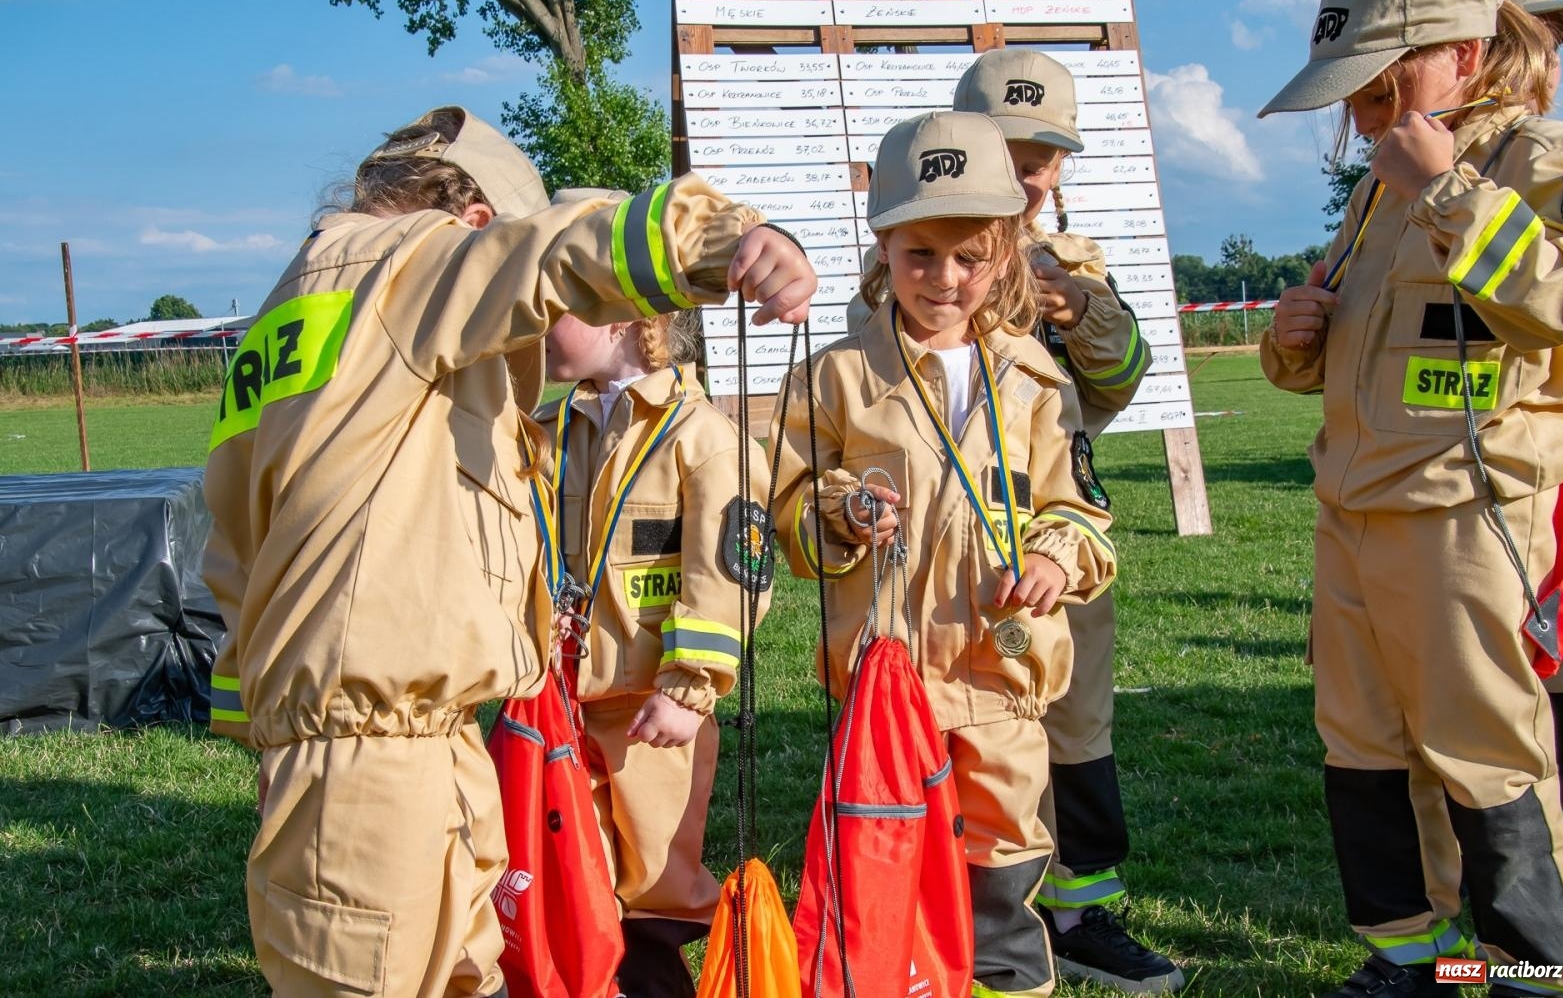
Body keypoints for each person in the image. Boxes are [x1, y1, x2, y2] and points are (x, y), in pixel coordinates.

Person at [201, 105, 815, 998]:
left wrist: (273, 738)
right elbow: (565, 251)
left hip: (398, 751)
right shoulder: (409, 261)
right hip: (380, 762)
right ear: (475, 228)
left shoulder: (305, 319)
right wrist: (736, 238)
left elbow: (237, 552)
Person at [1258, 0, 1563, 994]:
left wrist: (1449, 195)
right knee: (1360, 745)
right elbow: (1349, 355)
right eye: (1347, 85)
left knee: (1484, 749)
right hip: (1352, 509)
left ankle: (1532, 968)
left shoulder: (1543, 158)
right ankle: (1408, 957)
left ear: (1460, 49)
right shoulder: (1376, 188)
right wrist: (1293, 333)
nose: (1357, 106)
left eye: (1378, 75)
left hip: (1469, 512)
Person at [771, 110, 1119, 998]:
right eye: (920, 253)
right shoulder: (834, 378)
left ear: (1004, 251)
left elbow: (1081, 515)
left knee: (1002, 896)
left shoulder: (1038, 384)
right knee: (882, 902)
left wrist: (1052, 555)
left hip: (1002, 688)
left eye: (969, 257)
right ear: (883, 243)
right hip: (887, 696)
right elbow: (789, 511)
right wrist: (842, 513)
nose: (944, 278)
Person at [948, 48, 1180, 994]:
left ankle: (1081, 911)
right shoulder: (925, 248)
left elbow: (1121, 380)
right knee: (964, 716)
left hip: (1056, 527)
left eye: (1046, 153)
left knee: (1077, 724)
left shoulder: (1078, 263)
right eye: (1011, 149)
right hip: (952, 542)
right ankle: (963, 904)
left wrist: (1079, 307)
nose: (1030, 172)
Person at [534, 308, 770, 998]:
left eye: (556, 311)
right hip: (558, 704)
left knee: (656, 878)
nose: (537, 325)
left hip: (650, 712)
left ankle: (655, 983)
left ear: (622, 317)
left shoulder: (703, 438)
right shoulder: (549, 432)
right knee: (574, 868)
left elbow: (727, 573)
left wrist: (690, 685)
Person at [1490, 0, 1563, 903]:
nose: (1550, 52)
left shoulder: (1554, 151)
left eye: (1557, 34)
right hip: (1546, 441)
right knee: (1549, 635)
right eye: (1532, 31)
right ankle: (1548, 852)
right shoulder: (1496, 160)